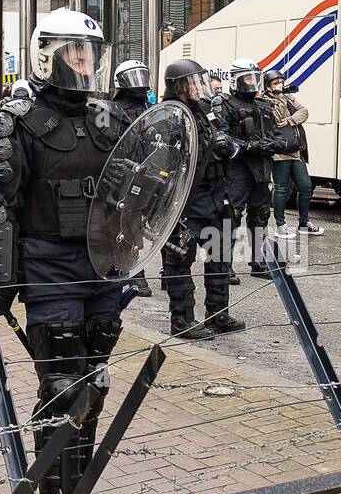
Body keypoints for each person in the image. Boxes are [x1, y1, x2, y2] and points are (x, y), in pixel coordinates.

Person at [0, 9, 130, 494]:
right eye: (74, 52)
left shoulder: (111, 117)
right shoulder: (18, 119)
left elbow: (134, 190)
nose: (84, 62)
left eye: (90, 52)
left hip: (103, 267)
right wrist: (2, 279)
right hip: (49, 267)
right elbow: (3, 206)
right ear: (47, 53)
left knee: (94, 383)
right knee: (63, 386)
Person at [159, 58, 245, 340]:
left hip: (216, 195)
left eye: (199, 81)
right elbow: (165, 157)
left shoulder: (206, 110)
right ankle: (182, 320)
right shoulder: (169, 115)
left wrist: (228, 145)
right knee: (179, 260)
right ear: (178, 87)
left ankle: (217, 313)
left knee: (220, 255)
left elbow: (229, 140)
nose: (198, 87)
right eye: (192, 82)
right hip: (186, 199)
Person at [218, 58, 278, 279]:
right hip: (238, 167)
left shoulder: (264, 105)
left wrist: (276, 143)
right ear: (235, 80)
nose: (251, 83)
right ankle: (225, 266)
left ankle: (258, 262)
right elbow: (221, 136)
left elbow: (276, 133)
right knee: (231, 215)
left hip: (261, 165)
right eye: (247, 78)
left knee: (261, 214)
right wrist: (246, 146)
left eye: (255, 78)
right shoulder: (225, 104)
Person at [110, 59, 155, 297]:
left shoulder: (151, 110)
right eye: (133, 77)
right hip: (124, 176)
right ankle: (132, 274)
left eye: (142, 77)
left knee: (145, 222)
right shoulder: (111, 111)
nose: (140, 83)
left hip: (149, 174)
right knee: (127, 224)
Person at [263, 68, 323, 240]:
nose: (279, 85)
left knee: (306, 187)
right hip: (279, 152)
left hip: (296, 151)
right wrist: (283, 106)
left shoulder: (288, 96)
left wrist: (290, 119)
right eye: (275, 83)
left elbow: (304, 111)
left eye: (280, 81)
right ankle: (280, 226)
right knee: (281, 189)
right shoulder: (265, 101)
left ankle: (304, 224)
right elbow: (276, 118)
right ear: (268, 85)